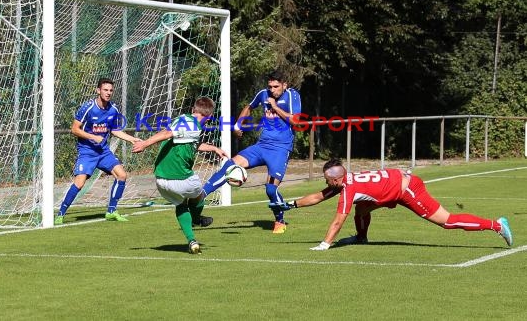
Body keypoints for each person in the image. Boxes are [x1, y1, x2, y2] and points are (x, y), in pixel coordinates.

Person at [270, 158, 513, 250]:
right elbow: (319, 196)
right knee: (362, 208)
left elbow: (337, 220)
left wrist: (324, 245)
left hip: (408, 189)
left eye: (328, 180)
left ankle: (497, 225)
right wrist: (290, 204)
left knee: (447, 222)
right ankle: (362, 238)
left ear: (337, 178)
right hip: (395, 185)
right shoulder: (346, 181)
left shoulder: (348, 189)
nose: (327, 183)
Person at [200, 70, 302, 233]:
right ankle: (199, 198)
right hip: (261, 146)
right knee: (229, 166)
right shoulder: (263, 94)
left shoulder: (292, 96)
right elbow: (249, 107)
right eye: (270, 86)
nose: (272, 90)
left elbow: (296, 121)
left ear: (284, 85)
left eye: (276, 87)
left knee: (270, 189)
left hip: (280, 149)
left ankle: (280, 221)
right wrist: (238, 125)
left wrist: (275, 106)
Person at [132, 97, 228, 254]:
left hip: (161, 181)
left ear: (193, 110)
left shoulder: (190, 125)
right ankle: (196, 218)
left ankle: (192, 241)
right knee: (200, 195)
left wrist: (213, 148)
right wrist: (144, 144)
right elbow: (167, 133)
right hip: (181, 178)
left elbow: (192, 143)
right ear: (209, 117)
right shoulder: (189, 123)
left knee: (182, 204)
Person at [55, 78, 141, 225]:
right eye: (105, 90)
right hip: (87, 151)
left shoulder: (113, 109)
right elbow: (74, 129)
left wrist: (132, 139)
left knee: (121, 175)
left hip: (103, 152)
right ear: (98, 90)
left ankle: (112, 211)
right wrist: (92, 136)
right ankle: (61, 213)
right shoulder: (88, 107)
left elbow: (114, 130)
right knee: (80, 183)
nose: (108, 93)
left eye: (110, 90)